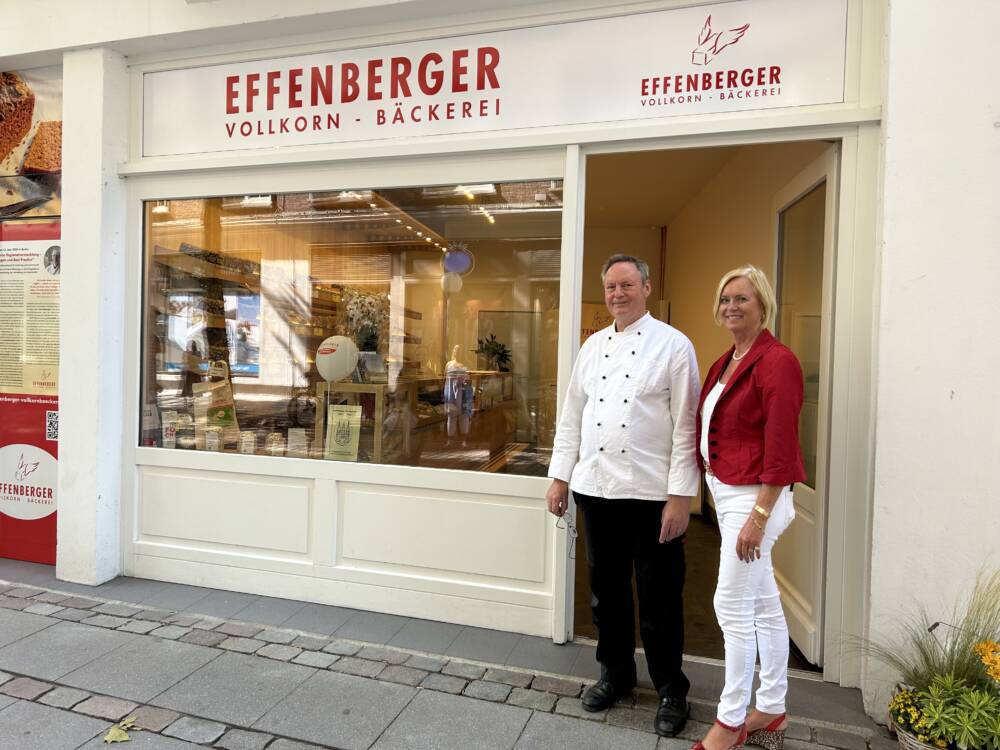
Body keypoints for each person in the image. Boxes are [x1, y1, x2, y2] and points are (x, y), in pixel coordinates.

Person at [546, 254, 700, 737]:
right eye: (611, 286)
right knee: (605, 593)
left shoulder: (674, 346)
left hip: (653, 494)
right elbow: (571, 416)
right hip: (596, 488)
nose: (618, 293)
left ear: (646, 287)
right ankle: (615, 674)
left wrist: (680, 497)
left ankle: (671, 688)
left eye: (627, 285)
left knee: (659, 598)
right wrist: (559, 477)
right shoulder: (591, 347)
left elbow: (686, 426)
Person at [692, 265, 806, 750]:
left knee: (730, 605)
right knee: (762, 604)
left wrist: (758, 517)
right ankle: (772, 707)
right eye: (725, 300)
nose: (732, 307)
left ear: (763, 305)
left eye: (742, 298)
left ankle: (732, 719)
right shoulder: (727, 361)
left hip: (756, 498)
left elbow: (781, 448)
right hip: (729, 491)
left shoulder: (777, 361)